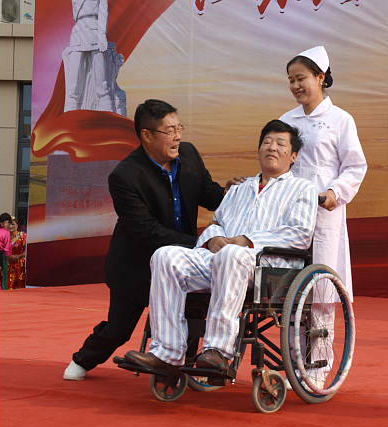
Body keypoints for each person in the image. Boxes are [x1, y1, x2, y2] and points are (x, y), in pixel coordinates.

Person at [63, 99, 243, 381]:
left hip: (182, 264)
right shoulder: (124, 176)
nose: (177, 136)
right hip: (136, 266)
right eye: (169, 131)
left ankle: (181, 369)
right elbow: (147, 231)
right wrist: (201, 243)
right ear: (146, 135)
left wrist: (230, 194)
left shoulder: (188, 154)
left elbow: (208, 194)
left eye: (179, 128)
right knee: (119, 330)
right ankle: (82, 360)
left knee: (189, 318)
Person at [124, 119, 317, 374]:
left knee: (231, 254)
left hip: (268, 267)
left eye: (280, 144)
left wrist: (248, 241)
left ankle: (217, 350)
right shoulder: (239, 188)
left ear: (293, 156)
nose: (272, 147)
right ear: (258, 150)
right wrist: (212, 239)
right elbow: (217, 222)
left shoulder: (302, 188)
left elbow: (300, 234)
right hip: (223, 259)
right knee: (165, 256)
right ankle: (166, 352)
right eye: (267, 142)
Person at [279, 46, 367, 386]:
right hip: (290, 214)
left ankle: (317, 367)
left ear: (320, 77)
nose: (295, 86)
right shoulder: (287, 121)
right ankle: (292, 362)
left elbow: (355, 166)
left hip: (324, 212)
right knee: (288, 289)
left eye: (301, 78)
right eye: (291, 80)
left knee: (320, 291)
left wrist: (335, 192)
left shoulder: (341, 120)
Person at [7, 217, 27, 290]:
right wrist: (9, 257)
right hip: (9, 265)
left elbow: (28, 250)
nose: (10, 226)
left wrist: (18, 257)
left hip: (21, 266)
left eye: (12, 224)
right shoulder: (5, 237)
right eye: (9, 224)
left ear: (17, 225)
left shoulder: (23, 236)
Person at [0, 213, 12, 290]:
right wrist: (7, 260)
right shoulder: (6, 232)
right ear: (6, 222)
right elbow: (7, 249)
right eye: (9, 223)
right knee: (1, 276)